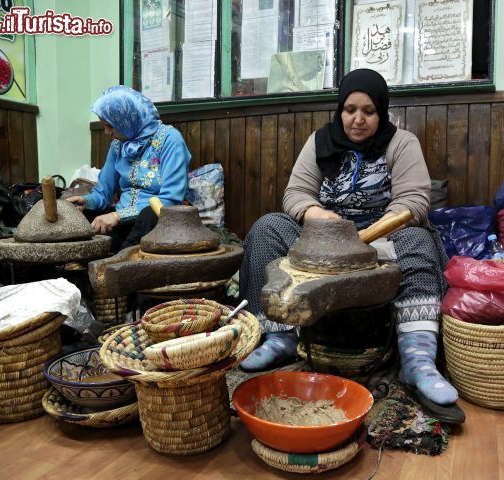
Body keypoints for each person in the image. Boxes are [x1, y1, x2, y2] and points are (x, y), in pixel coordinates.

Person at [238, 69, 460, 414]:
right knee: (267, 227)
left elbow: (413, 201)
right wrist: (316, 215)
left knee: (419, 239)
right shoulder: (319, 141)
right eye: (350, 109)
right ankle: (278, 336)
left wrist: (365, 237)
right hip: (322, 239)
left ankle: (418, 361)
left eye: (368, 111)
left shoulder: (401, 143)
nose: (358, 119)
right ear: (339, 110)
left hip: (381, 239)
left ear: (381, 112)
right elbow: (296, 193)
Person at [67, 85, 191, 252]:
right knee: (82, 216)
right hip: (124, 222)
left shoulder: (170, 140)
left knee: (150, 214)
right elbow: (103, 192)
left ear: (126, 119)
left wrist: (117, 216)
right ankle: (113, 255)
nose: (106, 132)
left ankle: (119, 260)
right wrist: (86, 201)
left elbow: (171, 199)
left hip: (158, 223)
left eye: (110, 126)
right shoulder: (118, 145)